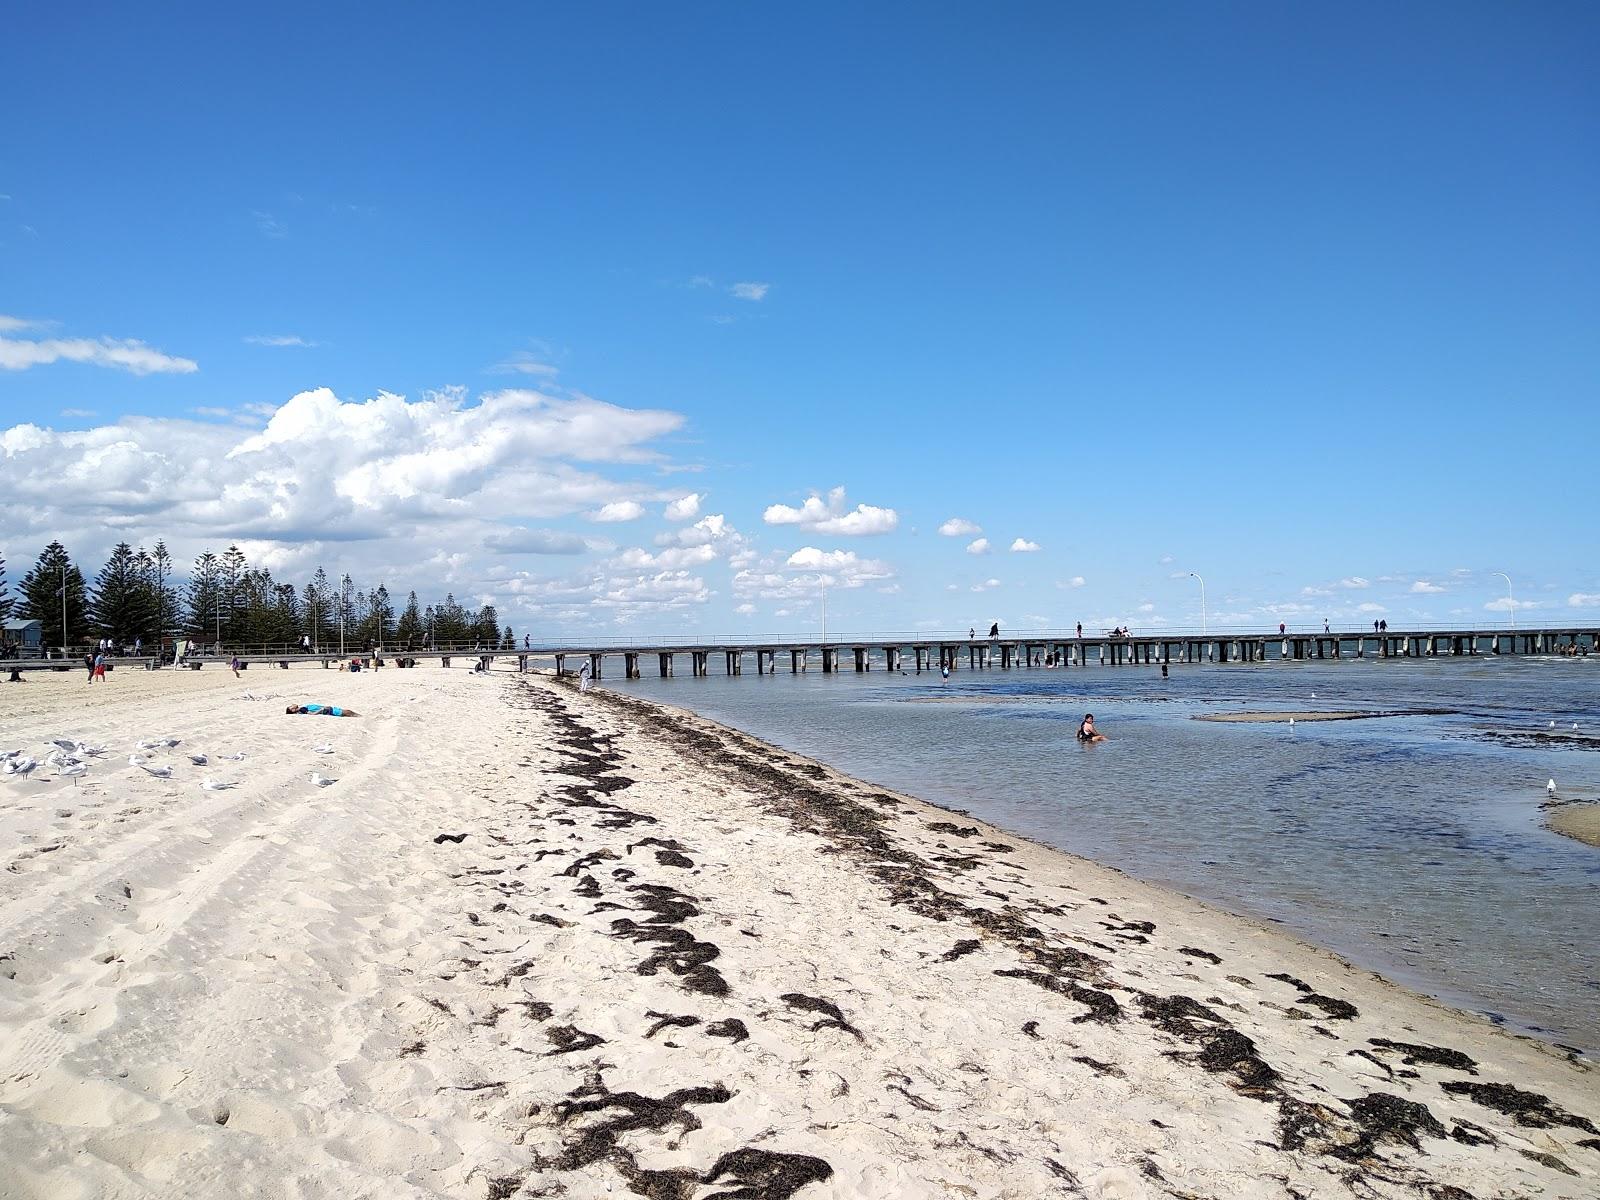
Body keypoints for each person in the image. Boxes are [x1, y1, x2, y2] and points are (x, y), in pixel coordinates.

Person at [285, 703, 358, 716]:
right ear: (293, 710)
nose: (292, 705)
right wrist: (322, 709)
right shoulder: (302, 710)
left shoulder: (301, 708)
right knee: (347, 712)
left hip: (327, 709)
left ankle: (359, 716)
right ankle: (359, 716)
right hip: (327, 710)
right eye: (291, 707)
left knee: (348, 712)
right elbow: (311, 713)